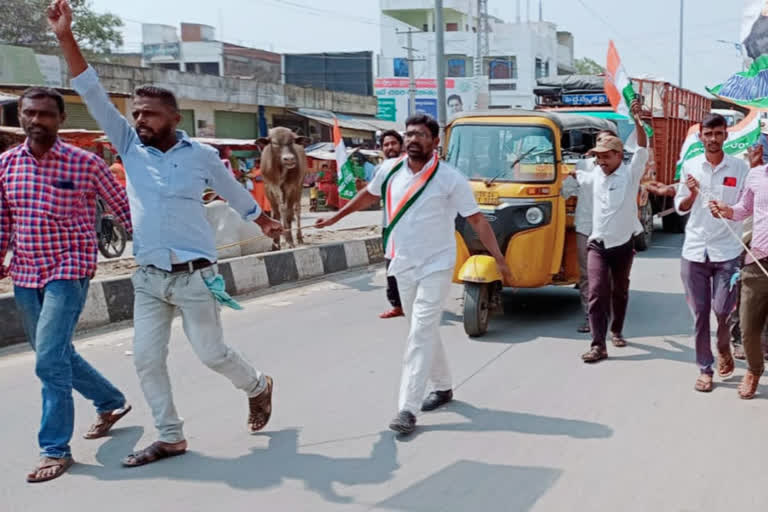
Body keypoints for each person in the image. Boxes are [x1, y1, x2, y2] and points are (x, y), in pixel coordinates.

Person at [50, 0, 284, 466]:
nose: (140, 120)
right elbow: (91, 90)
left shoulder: (201, 156)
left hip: (196, 277)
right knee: (145, 359)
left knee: (212, 354)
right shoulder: (128, 146)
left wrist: (262, 219)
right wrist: (65, 38)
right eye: (137, 113)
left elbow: (233, 191)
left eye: (150, 114)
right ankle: (171, 435)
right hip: (150, 278)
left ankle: (257, 385)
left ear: (175, 117)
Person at [315, 114, 512, 435]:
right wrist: (336, 218)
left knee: (419, 331)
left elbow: (477, 221)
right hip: (401, 262)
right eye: (409, 134)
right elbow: (368, 195)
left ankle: (407, 407)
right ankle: (444, 386)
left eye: (420, 135)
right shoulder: (389, 169)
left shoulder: (450, 178)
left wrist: (499, 259)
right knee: (423, 329)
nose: (412, 139)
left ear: (435, 142)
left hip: (436, 264)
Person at [0, 87, 133, 483]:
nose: (37, 120)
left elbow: (123, 208)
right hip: (25, 271)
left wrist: (159, 253)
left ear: (60, 119)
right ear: (20, 117)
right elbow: (4, 218)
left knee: (48, 361)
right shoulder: (6, 165)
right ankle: (110, 401)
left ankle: (54, 449)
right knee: (53, 352)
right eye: (30, 113)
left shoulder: (86, 163)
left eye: (45, 114)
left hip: (69, 268)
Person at [674, 113, 749, 392]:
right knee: (700, 313)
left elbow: (747, 205)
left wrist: (728, 211)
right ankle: (705, 369)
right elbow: (680, 207)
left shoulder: (740, 169)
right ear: (701, 136)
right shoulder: (691, 166)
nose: (713, 139)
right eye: (708, 134)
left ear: (725, 135)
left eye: (718, 133)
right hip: (694, 250)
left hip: (727, 252)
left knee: (722, 310)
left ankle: (723, 346)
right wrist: (692, 195)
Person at [581, 99, 648, 364]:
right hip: (597, 245)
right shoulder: (595, 172)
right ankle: (598, 345)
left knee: (619, 290)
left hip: (622, 244)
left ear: (619, 156)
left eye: (606, 156)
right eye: (598, 156)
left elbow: (642, 147)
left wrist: (638, 121)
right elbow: (575, 174)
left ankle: (617, 329)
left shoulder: (631, 175)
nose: (601, 161)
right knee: (597, 291)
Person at [710, 151, 768, 400]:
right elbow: (744, 209)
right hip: (757, 261)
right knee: (747, 327)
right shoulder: (755, 175)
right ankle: (754, 370)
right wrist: (726, 210)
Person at [561, 129, 618, 333]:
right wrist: (571, 179)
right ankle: (590, 317)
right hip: (586, 226)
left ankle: (610, 315)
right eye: (600, 142)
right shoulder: (583, 166)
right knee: (587, 275)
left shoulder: (620, 170)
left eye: (608, 143)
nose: (603, 148)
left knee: (609, 275)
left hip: (611, 230)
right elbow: (565, 192)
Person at [379, 129, 405, 319]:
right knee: (391, 265)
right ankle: (397, 305)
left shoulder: (410, 165)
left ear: (401, 145)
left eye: (393, 143)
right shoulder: (383, 169)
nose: (390, 148)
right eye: (386, 145)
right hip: (389, 226)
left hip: (411, 226)